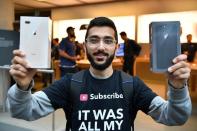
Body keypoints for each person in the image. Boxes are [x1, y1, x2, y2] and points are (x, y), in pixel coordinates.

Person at [8, 17, 191, 131]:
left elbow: (174, 116)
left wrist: (177, 87)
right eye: (94, 40)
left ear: (116, 47)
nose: (101, 47)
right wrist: (22, 87)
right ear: (85, 45)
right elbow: (22, 111)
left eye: (108, 41)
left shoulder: (132, 85)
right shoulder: (69, 83)